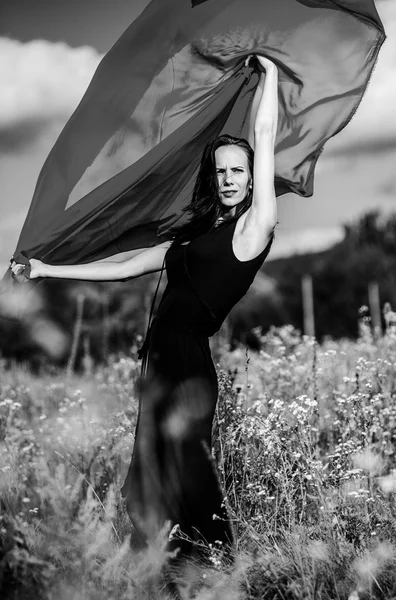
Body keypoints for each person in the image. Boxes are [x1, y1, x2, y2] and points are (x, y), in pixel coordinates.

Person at [10, 55, 278, 567]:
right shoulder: (196, 233)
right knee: (155, 466)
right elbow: (129, 266)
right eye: (220, 171)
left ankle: (221, 564)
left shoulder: (253, 229)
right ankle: (171, 565)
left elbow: (263, 135)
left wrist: (271, 74)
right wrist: (48, 270)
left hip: (188, 358)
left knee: (190, 469)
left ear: (250, 181)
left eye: (238, 172)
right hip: (161, 359)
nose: (228, 179)